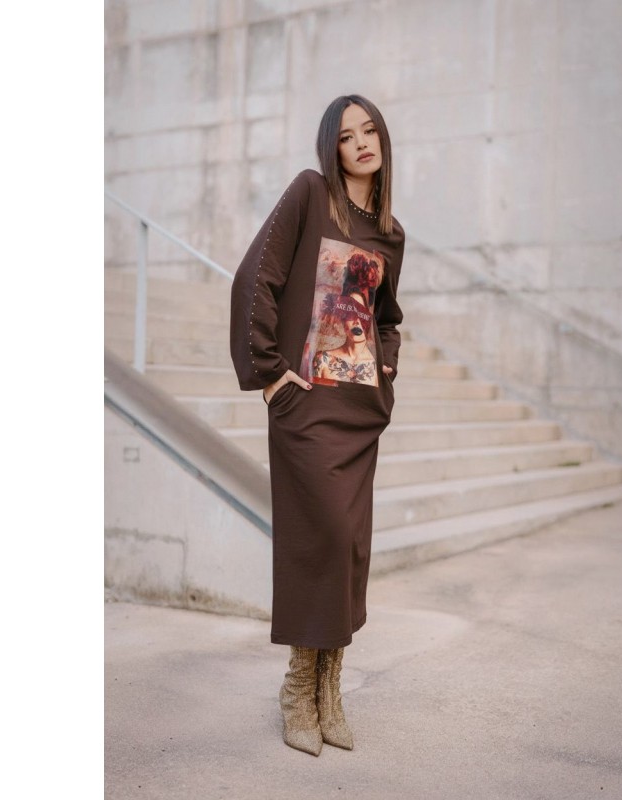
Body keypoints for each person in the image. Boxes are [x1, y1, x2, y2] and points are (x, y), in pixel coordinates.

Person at [229, 94, 405, 756]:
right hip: (306, 409)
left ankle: (330, 691)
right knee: (322, 538)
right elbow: (256, 277)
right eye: (346, 134)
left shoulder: (390, 233)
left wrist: (386, 368)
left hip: (359, 414)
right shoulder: (310, 194)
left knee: (349, 548)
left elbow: (387, 317)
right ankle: (297, 686)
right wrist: (269, 373)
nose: (361, 142)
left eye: (370, 130)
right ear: (330, 147)